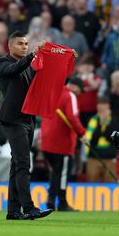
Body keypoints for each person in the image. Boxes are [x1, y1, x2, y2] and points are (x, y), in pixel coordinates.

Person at [0, 31, 53, 220]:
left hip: (27, 119)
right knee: (23, 164)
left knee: (17, 164)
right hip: (12, 120)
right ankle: (28, 207)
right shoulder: (4, 63)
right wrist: (33, 55)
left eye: (26, 44)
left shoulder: (28, 66)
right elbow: (13, 70)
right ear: (10, 46)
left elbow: (44, 76)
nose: (24, 46)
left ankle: (13, 211)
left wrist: (60, 57)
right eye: (20, 43)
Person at [41, 77, 86, 211]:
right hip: (62, 142)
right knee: (62, 173)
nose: (79, 93)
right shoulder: (69, 95)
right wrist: (82, 133)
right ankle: (62, 202)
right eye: (80, 90)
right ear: (74, 86)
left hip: (46, 140)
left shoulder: (52, 93)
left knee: (54, 172)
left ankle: (50, 201)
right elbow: (72, 117)